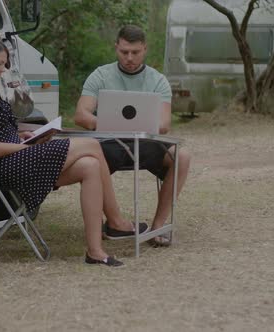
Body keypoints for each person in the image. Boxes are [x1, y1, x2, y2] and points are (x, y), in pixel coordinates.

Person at [0, 36, 145, 267]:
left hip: (17, 155)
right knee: (93, 145)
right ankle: (116, 222)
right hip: (4, 166)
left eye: (5, 64)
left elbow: (2, 130)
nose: (4, 69)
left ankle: (95, 251)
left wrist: (26, 135)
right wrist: (24, 146)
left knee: (91, 166)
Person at [74, 25, 191, 246]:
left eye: (135, 52)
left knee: (182, 155)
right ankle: (111, 223)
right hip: (107, 144)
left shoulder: (157, 80)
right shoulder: (100, 75)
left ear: (145, 49)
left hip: (145, 143)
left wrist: (138, 127)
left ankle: (157, 228)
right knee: (89, 160)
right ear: (116, 47)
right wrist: (109, 124)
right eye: (124, 52)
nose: (129, 58)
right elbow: (81, 115)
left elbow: (164, 125)